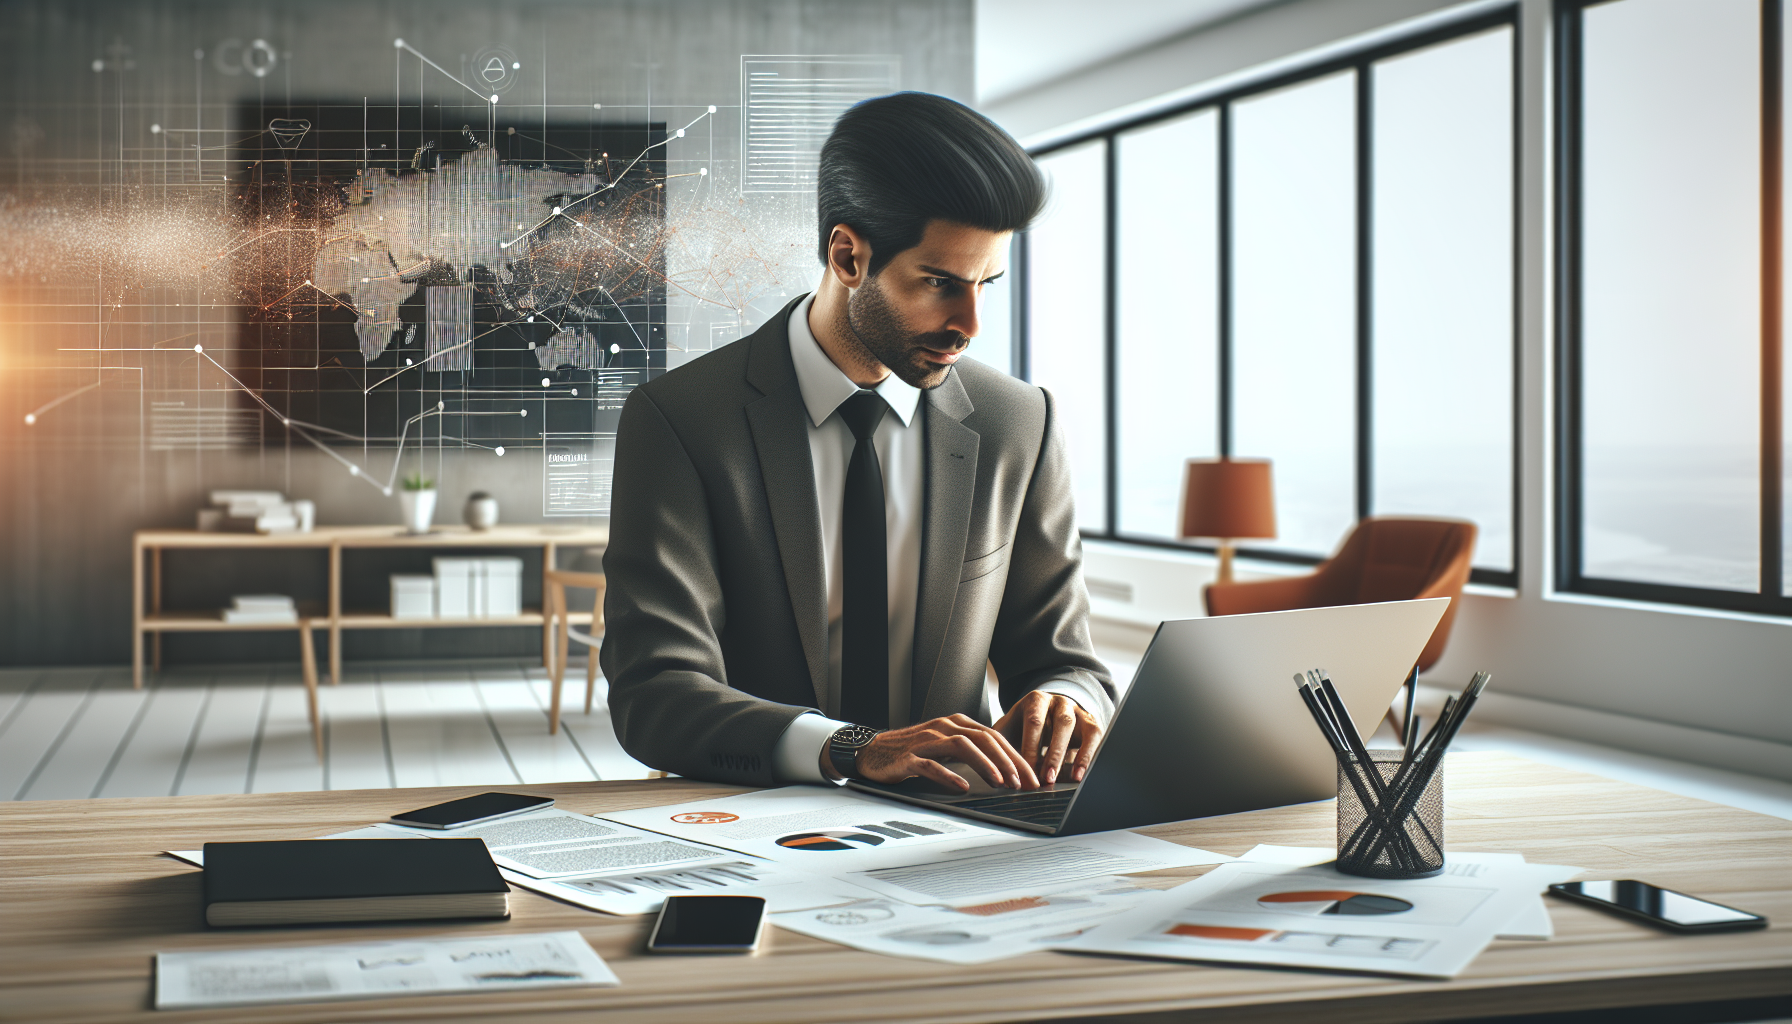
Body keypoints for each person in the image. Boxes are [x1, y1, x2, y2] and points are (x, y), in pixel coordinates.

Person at [601, 91, 1113, 794]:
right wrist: (849, 748)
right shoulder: (682, 420)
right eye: (939, 283)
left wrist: (1067, 701)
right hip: (755, 818)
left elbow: (1067, 662)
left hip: (964, 821)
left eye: (986, 284)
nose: (970, 325)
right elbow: (654, 694)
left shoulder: (1020, 422)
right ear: (848, 256)